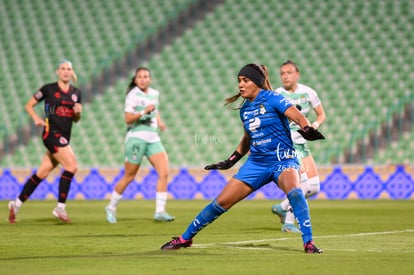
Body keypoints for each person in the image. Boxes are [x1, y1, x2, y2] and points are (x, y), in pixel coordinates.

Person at [160, 63, 324, 253]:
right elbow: (247, 139)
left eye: (245, 80)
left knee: (295, 193)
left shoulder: (273, 98)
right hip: (256, 164)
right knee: (220, 203)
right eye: (239, 81)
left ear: (257, 82)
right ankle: (184, 239)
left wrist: (306, 128)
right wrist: (231, 160)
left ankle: (308, 242)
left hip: (282, 160)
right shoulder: (245, 110)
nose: (240, 84)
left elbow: (297, 116)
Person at [8, 60, 82, 224]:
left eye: (68, 69)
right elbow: (29, 105)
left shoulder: (76, 93)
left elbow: (75, 120)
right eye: (62, 69)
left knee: (41, 173)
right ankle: (60, 207)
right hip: (51, 134)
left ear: (71, 72)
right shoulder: (48, 89)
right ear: (57, 72)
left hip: (64, 136)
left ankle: (16, 204)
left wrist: (77, 113)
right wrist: (35, 118)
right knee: (72, 167)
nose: (65, 71)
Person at [105, 67, 174, 223]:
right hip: (136, 138)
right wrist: (143, 111)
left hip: (153, 138)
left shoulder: (155, 94)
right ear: (135, 80)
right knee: (129, 176)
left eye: (146, 76)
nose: (143, 79)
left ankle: (160, 211)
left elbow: (154, 111)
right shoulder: (132, 95)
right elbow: (128, 119)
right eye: (140, 77)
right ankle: (111, 207)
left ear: (150, 79)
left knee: (164, 172)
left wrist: (160, 122)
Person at [271, 60, 326, 233]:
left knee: (314, 188)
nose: (285, 76)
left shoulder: (308, 92)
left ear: (297, 74)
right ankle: (288, 223)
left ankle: (282, 206)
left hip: (302, 143)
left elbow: (321, 114)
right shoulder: (277, 94)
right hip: (288, 144)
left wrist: (315, 126)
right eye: (282, 73)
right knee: (301, 185)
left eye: (289, 72)